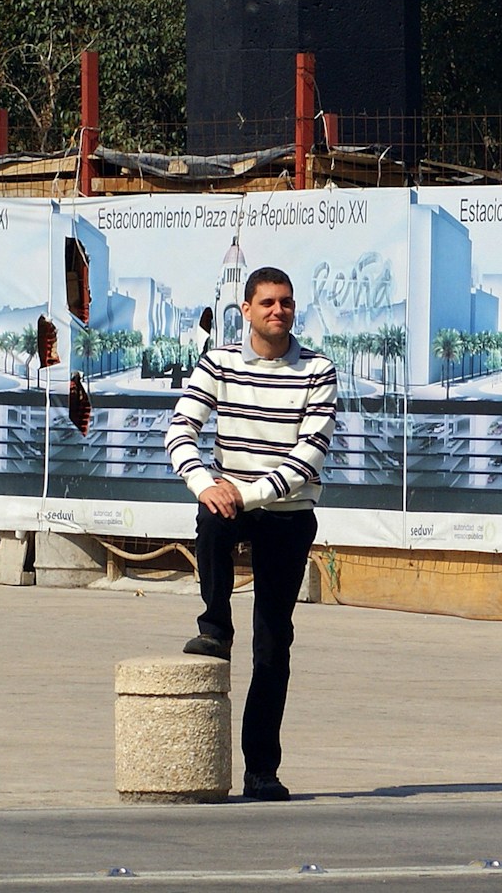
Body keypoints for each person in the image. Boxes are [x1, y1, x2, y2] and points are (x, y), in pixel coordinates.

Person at [165, 266, 337, 803]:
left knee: (273, 644)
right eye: (267, 303)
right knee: (210, 517)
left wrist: (250, 492)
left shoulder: (318, 370)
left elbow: (309, 455)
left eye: (286, 302)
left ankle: (261, 769)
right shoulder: (216, 363)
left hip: (286, 511)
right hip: (232, 497)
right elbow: (180, 427)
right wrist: (203, 483)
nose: (278, 311)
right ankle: (215, 623)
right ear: (246, 310)